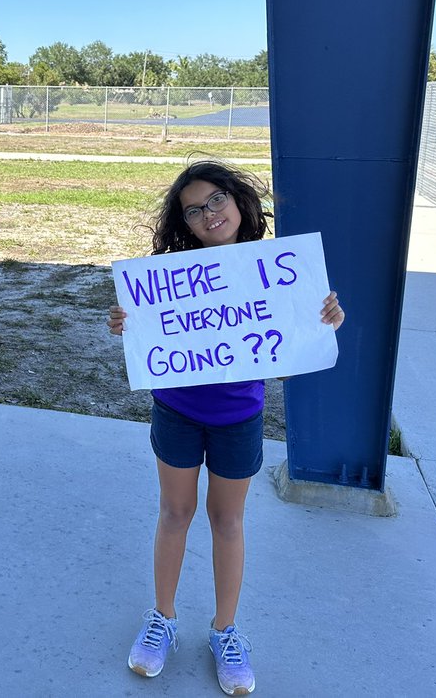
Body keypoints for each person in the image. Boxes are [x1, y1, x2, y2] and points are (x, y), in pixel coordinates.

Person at [107, 160, 345, 695]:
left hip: (239, 416)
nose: (208, 214)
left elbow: (299, 339)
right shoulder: (168, 276)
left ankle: (225, 630)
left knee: (227, 521)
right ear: (184, 223)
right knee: (174, 513)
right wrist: (125, 322)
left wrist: (325, 317)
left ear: (238, 202)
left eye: (216, 200)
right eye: (194, 209)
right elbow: (143, 326)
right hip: (176, 410)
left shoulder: (280, 269)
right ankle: (162, 619)